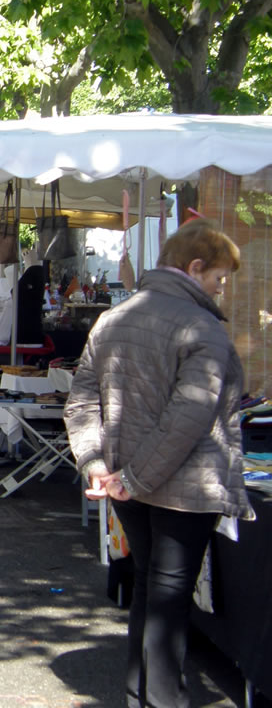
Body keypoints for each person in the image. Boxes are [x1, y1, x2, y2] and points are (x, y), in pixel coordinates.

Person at [64, 219, 254, 708]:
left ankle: (144, 695)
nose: (221, 288)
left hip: (130, 481)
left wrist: (97, 464)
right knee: (167, 596)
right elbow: (187, 418)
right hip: (175, 486)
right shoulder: (201, 328)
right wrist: (121, 474)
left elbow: (82, 400)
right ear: (195, 268)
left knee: (152, 589)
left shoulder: (113, 318)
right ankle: (162, 698)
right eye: (218, 278)